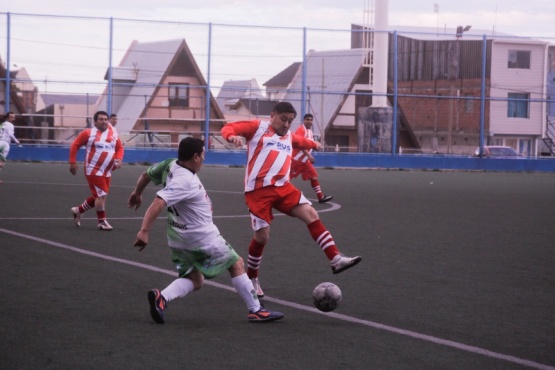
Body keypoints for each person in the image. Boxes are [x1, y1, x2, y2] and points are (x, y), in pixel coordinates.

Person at [131, 137, 283, 324]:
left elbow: (146, 175)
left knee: (195, 279)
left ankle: (161, 298)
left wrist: (137, 193)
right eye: (203, 155)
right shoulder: (186, 181)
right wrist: (144, 231)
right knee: (236, 263)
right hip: (202, 237)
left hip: (177, 239)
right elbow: (158, 202)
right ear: (195, 157)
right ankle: (256, 310)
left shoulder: (169, 165)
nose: (204, 158)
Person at [221, 102, 361, 298]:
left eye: (290, 121)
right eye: (283, 119)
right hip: (258, 191)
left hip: (283, 188)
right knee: (262, 237)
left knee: (311, 213)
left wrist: (314, 144)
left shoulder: (288, 136)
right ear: (272, 116)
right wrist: (232, 136)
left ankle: (335, 259)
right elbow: (229, 127)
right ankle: (252, 278)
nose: (286, 124)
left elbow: (300, 142)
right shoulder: (257, 127)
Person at [69, 110, 124, 230]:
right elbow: (75, 145)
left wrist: (119, 159)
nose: (104, 121)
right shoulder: (88, 133)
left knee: (100, 196)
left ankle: (78, 211)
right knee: (101, 194)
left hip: (107, 170)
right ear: (95, 121)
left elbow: (120, 148)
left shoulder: (113, 134)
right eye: (101, 119)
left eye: (105, 119)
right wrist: (72, 162)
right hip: (93, 169)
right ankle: (102, 221)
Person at [290, 113, 332, 203]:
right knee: (285, 179)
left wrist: (315, 145)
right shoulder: (301, 130)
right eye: (307, 119)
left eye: (311, 120)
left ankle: (321, 197)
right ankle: (273, 195)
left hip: (304, 161)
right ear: (304, 121)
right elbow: (300, 144)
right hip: (296, 160)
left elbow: (309, 143)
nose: (309, 121)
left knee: (313, 176)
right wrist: (309, 155)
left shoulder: (310, 131)